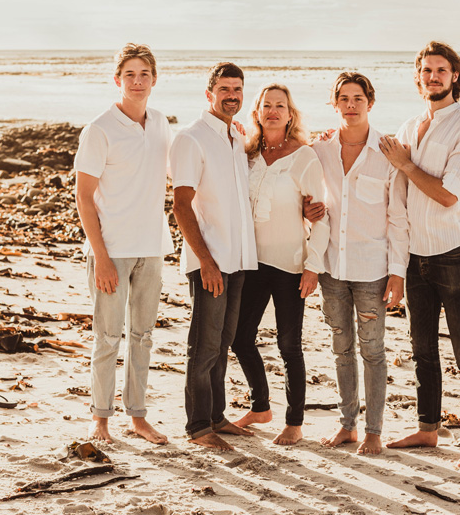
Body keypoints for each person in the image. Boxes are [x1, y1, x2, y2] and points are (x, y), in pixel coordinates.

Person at [379, 41, 460, 467]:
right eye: (426, 70)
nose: (433, 77)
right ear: (417, 76)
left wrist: (406, 165)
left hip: (454, 252)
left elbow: (447, 195)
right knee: (422, 348)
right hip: (415, 257)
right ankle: (428, 429)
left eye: (441, 70)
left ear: (455, 76)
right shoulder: (410, 128)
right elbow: (395, 192)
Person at [73, 43, 171, 445]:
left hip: (152, 245)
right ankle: (100, 418)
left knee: (143, 336)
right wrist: (102, 256)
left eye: (143, 74)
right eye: (129, 74)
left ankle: (138, 416)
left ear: (153, 79)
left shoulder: (162, 123)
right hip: (111, 249)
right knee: (108, 337)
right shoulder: (99, 129)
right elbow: (83, 196)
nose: (136, 81)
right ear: (118, 80)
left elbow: (185, 167)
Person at [312, 71, 408, 455]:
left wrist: (398, 272)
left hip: (373, 270)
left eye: (358, 98)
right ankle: (347, 425)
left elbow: (398, 217)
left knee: (373, 350)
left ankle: (373, 431)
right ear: (335, 104)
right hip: (331, 267)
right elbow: (301, 188)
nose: (350, 106)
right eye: (344, 99)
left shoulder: (387, 152)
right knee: (341, 348)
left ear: (370, 102)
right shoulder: (319, 150)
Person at [230, 83, 330, 446]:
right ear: (256, 112)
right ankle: (260, 408)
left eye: (280, 106)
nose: (273, 111)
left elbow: (321, 217)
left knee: (290, 345)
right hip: (252, 262)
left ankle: (294, 421)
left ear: (290, 114)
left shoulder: (304, 156)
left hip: (290, 264)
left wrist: (313, 266)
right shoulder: (247, 154)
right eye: (267, 105)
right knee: (240, 338)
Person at [170, 62, 258, 451]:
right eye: (224, 89)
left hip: (239, 260)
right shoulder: (191, 138)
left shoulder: (236, 138)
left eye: (237, 89)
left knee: (222, 344)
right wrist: (204, 260)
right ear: (209, 94)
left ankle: (217, 417)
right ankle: (197, 426)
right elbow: (181, 205)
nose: (232, 95)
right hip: (212, 261)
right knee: (204, 346)